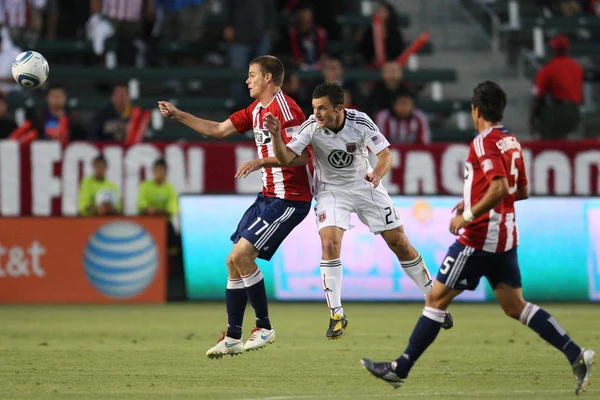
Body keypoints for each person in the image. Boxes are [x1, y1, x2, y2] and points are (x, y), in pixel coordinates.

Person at [360, 81, 596, 395]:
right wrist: (473, 200)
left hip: (479, 237)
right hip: (506, 235)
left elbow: (498, 188)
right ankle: (576, 354)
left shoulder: (483, 142)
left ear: (475, 110)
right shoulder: (510, 140)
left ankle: (399, 369)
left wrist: (467, 215)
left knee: (435, 300)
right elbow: (520, 190)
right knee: (515, 306)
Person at [266, 82, 453, 339]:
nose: (316, 113)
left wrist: (376, 174)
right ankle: (336, 314)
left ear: (339, 108)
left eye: (322, 108)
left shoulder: (360, 122)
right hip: (331, 192)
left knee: (399, 242)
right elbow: (286, 158)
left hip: (366, 185)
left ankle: (434, 298)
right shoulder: (311, 127)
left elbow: (385, 155)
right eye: (314, 108)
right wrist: (276, 136)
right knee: (330, 243)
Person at [158, 55, 313, 358]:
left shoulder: (287, 110)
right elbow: (216, 130)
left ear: (269, 78)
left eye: (252, 75)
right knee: (233, 261)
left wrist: (261, 160)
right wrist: (178, 115)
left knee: (242, 255)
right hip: (268, 197)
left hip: (289, 198)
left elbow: (303, 157)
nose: (247, 80)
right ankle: (232, 337)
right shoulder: (256, 110)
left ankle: (265, 327)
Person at [530, 34, 583, 140]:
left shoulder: (548, 69)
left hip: (558, 112)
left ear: (552, 50)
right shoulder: (577, 67)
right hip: (575, 112)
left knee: (548, 140)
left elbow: (538, 97)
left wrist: (532, 120)